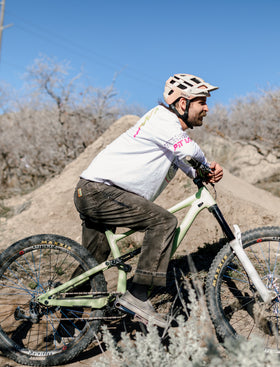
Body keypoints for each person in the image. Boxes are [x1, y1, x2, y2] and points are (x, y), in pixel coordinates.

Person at [74, 73, 224, 327]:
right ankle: (138, 295)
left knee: (93, 263)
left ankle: (63, 316)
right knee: (164, 222)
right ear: (182, 104)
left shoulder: (168, 129)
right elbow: (187, 150)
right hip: (98, 192)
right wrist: (206, 163)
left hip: (96, 192)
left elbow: (181, 160)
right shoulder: (162, 120)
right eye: (201, 102)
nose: (207, 108)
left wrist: (200, 173)